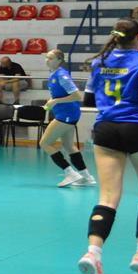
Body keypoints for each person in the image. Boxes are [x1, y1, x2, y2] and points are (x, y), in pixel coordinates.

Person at [76, 18, 138, 274]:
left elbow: (89, 101)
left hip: (106, 129)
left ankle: (93, 253)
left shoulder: (99, 62)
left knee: (107, 198)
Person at [40, 49, 93, 188]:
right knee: (68, 145)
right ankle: (86, 177)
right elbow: (59, 94)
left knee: (45, 143)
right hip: (65, 113)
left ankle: (70, 173)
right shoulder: (53, 74)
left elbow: (77, 96)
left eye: (50, 58)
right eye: (46, 57)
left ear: (59, 60)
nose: (47, 60)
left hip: (67, 114)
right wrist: (52, 101)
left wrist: (56, 101)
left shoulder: (62, 75)